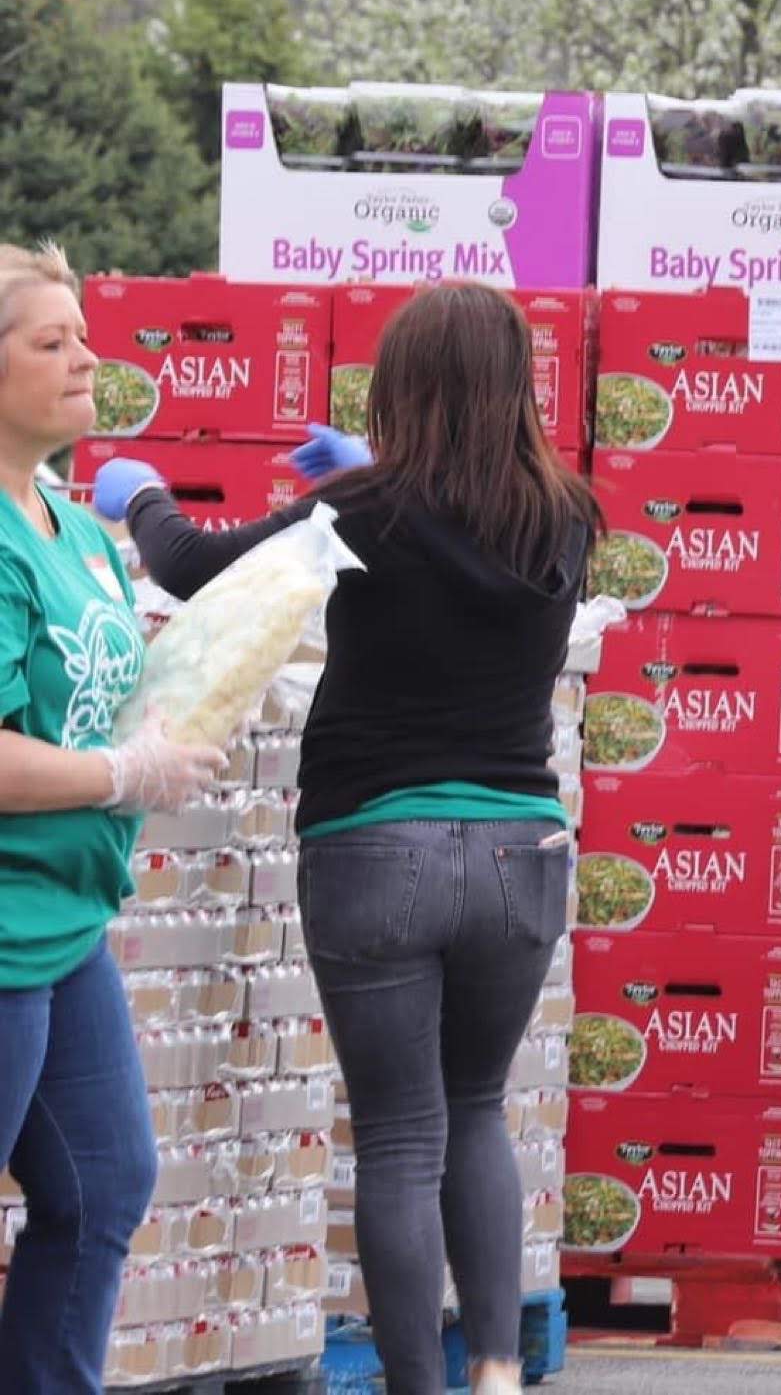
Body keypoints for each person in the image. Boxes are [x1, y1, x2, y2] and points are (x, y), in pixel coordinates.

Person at [95, 282, 592, 1395]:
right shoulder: (566, 513)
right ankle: (501, 1376)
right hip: (522, 852)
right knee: (478, 1111)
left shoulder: (362, 515)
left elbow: (189, 567)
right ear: (518, 384)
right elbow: (472, 555)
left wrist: (139, 493)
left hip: (377, 846)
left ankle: (419, 1385)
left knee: (401, 1137)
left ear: (399, 387)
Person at [0, 243, 221, 1394]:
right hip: (2, 929)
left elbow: (111, 679)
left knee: (104, 1186)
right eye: (52, 343)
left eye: (84, 334)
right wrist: (117, 773)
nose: (90, 359)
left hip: (68, 923)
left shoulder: (80, 533)